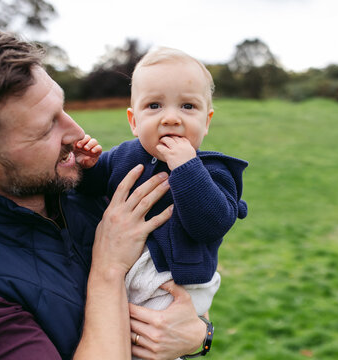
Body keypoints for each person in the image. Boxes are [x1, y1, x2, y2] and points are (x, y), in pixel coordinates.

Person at [0, 25, 208, 360]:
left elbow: (176, 288)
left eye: (62, 108)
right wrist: (108, 269)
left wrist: (199, 334)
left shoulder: (89, 190)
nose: (76, 131)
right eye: (47, 126)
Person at [75, 47, 248, 321]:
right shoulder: (124, 155)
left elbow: (211, 225)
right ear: (134, 120)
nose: (171, 118)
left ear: (207, 122)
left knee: (151, 341)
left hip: (175, 284)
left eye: (187, 106)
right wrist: (87, 166)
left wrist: (187, 168)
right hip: (124, 275)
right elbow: (90, 187)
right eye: (154, 106)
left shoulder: (213, 171)